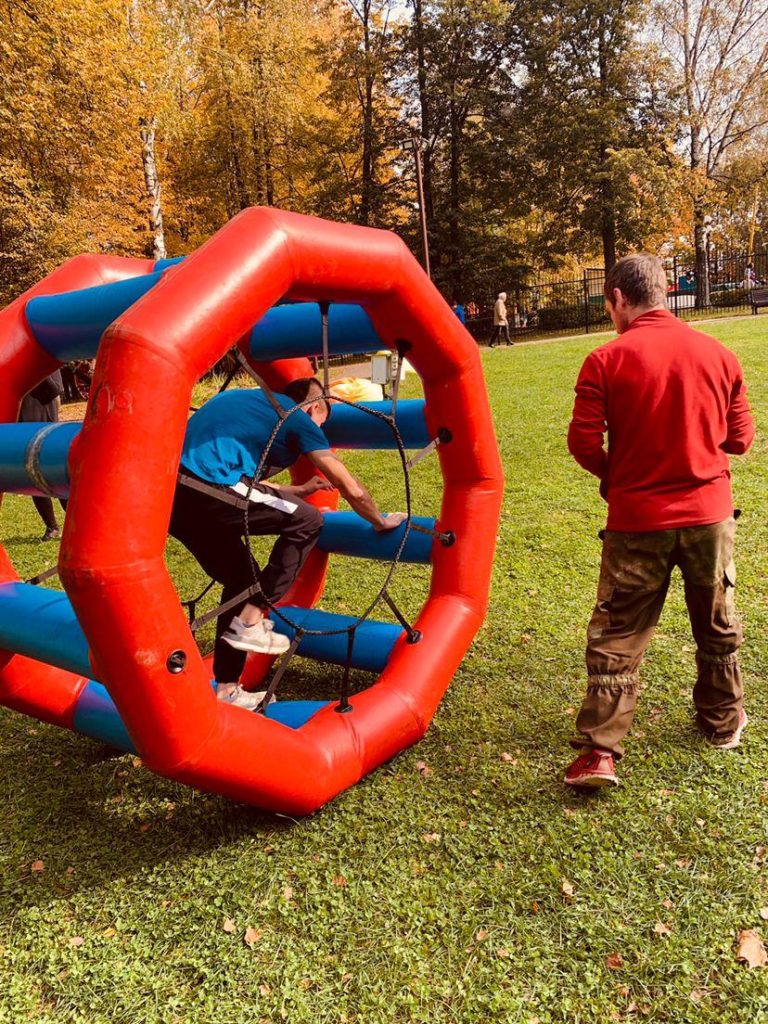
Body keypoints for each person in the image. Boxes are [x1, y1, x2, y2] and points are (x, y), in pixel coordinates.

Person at [564, 253, 755, 788]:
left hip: (635, 520)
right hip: (709, 517)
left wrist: (616, 474)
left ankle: (601, 750)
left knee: (619, 632)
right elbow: (740, 440)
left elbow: (582, 442)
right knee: (716, 622)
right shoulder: (720, 355)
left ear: (618, 299)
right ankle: (722, 721)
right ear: (665, 292)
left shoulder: (606, 359)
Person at [170, 377, 407, 710]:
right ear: (313, 407)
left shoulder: (249, 403)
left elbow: (243, 484)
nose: (319, 429)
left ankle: (226, 690)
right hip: (207, 488)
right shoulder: (297, 416)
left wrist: (298, 491)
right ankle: (251, 619)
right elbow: (346, 482)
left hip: (174, 498)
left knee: (242, 579)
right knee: (309, 520)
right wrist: (380, 520)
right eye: (323, 421)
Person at [19, 372, 68, 541]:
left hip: (44, 417)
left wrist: (31, 370)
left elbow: (53, 390)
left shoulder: (44, 358)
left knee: (57, 472)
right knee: (31, 473)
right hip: (23, 420)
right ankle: (51, 526)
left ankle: (74, 520)